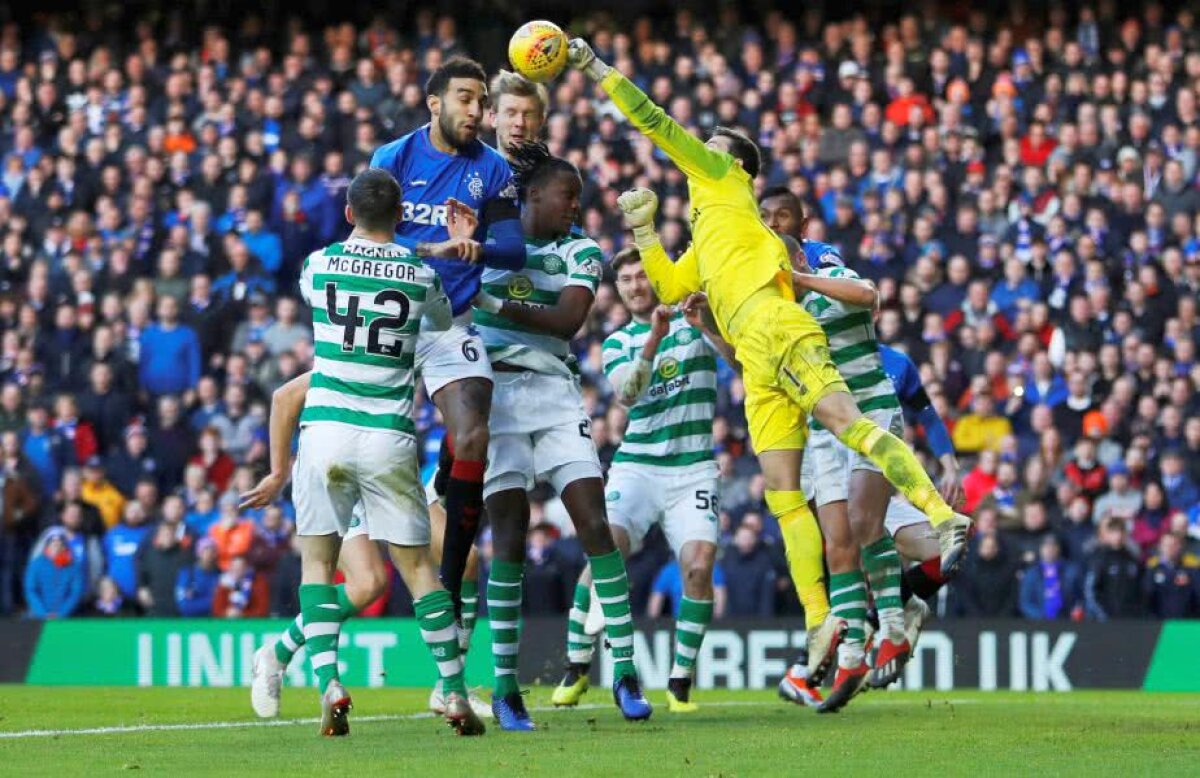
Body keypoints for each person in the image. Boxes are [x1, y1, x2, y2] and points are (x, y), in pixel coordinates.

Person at [564, 37, 970, 673]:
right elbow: (671, 287)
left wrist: (595, 69)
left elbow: (656, 122)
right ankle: (821, 620)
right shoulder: (708, 225)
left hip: (776, 323)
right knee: (784, 495)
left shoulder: (725, 182)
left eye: (715, 144)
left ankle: (943, 517)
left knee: (849, 424)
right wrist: (644, 232)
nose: (703, 149)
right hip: (754, 359)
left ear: (737, 166)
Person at [241, 168, 483, 737]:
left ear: (348, 214)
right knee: (420, 570)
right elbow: (441, 320)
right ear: (400, 217)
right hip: (387, 436)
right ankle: (451, 691)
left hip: (325, 429)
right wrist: (436, 249)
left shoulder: (319, 265)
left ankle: (328, 681)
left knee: (319, 567)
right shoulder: (420, 275)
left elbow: (333, 277)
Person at [469, 142, 650, 728]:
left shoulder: (580, 250)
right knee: (510, 538)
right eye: (565, 195)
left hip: (553, 395)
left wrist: (492, 300)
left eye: (577, 196)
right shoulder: (490, 245)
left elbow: (568, 320)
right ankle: (504, 687)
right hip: (494, 398)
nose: (575, 205)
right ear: (533, 195)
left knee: (594, 524)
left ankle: (623, 669)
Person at [370, 57, 526, 615]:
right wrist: (433, 247)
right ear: (433, 102)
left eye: (482, 100)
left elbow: (515, 249)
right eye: (466, 98)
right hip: (393, 317)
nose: (477, 111)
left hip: (447, 325)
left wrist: (475, 245)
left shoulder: (494, 170)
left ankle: (453, 587)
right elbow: (369, 242)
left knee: (474, 436)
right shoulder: (393, 158)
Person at [549, 247, 722, 714]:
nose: (633, 286)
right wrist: (654, 340)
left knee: (699, 568)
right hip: (638, 467)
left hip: (694, 468)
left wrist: (705, 324)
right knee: (604, 552)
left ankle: (680, 681)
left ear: (656, 279)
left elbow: (740, 359)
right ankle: (577, 664)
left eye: (641, 277)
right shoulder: (619, 342)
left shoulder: (698, 321)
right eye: (624, 280)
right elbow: (627, 395)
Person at [1084, 517, 1144, 620]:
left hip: (1130, 620)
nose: (1118, 536)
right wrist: (1103, 616)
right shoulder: (1099, 558)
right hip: (1106, 620)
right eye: (1114, 532)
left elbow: (1139, 590)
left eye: (1121, 532)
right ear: (1107, 535)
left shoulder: (1132, 559)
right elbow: (1090, 591)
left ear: (1126, 534)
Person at [24, 529, 84, 619]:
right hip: (39, 614)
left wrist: (61, 614)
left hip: (66, 615)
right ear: (47, 546)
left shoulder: (73, 566)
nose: (57, 547)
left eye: (60, 544)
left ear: (65, 547)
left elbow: (75, 592)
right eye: (53, 544)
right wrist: (42, 613)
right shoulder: (36, 564)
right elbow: (31, 590)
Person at [1019, 535, 1081, 619]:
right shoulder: (1031, 573)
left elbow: (1080, 597)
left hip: (1068, 621)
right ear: (1040, 549)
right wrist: (1041, 617)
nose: (1049, 549)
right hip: (1039, 624)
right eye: (1046, 546)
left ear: (1059, 548)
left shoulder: (1072, 571)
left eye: (1053, 545)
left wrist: (1076, 611)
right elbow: (1026, 603)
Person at [1142, 532, 1200, 618]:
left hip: (1186, 623)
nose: (1169, 548)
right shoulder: (1152, 570)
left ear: (1180, 546)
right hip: (1159, 624)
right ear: (1160, 547)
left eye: (1173, 545)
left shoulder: (1191, 570)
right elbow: (1147, 597)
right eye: (1166, 545)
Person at [175, 537, 221, 617]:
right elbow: (184, 606)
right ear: (199, 553)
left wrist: (196, 600)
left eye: (212, 551)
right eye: (205, 551)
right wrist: (214, 600)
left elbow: (224, 605)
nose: (209, 555)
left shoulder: (221, 575)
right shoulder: (187, 573)